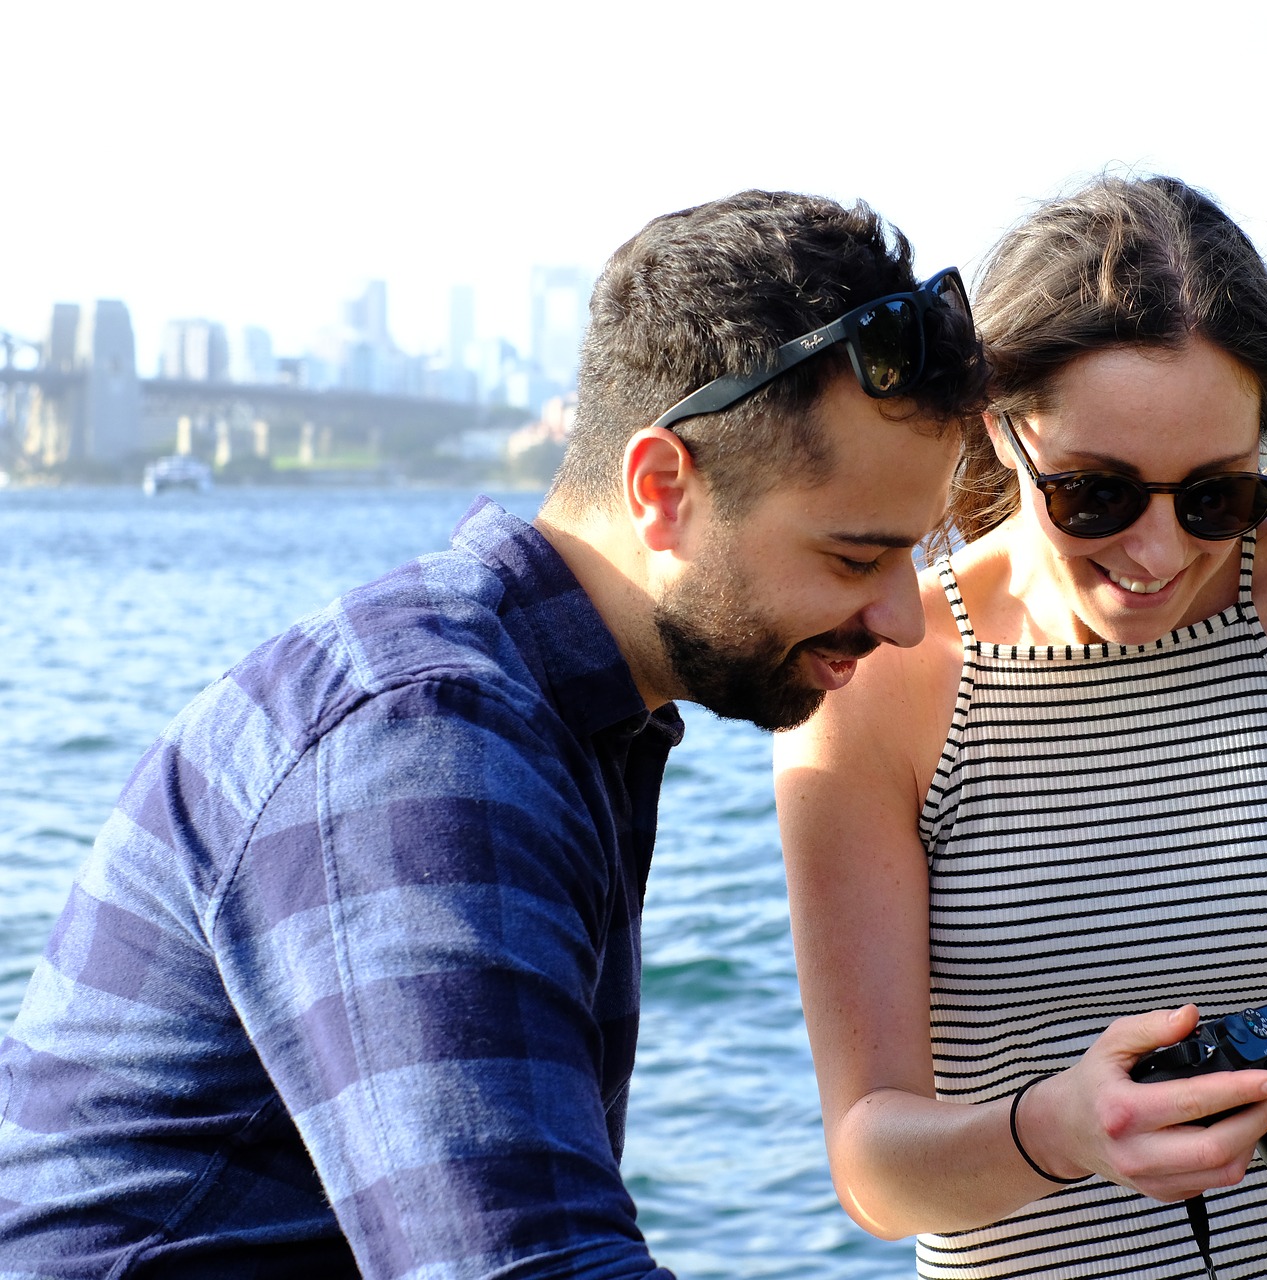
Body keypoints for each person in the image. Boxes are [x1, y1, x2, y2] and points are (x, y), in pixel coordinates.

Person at [0, 190, 984, 1277]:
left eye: (914, 554)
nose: (901, 615)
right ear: (663, 489)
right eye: (855, 558)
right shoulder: (424, 741)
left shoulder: (557, 714)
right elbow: (527, 1266)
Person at [775, 176, 1267, 1280]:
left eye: (1218, 496)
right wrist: (1064, 1129)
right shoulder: (880, 679)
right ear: (997, 424)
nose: (1161, 552)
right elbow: (876, 1167)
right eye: (1096, 495)